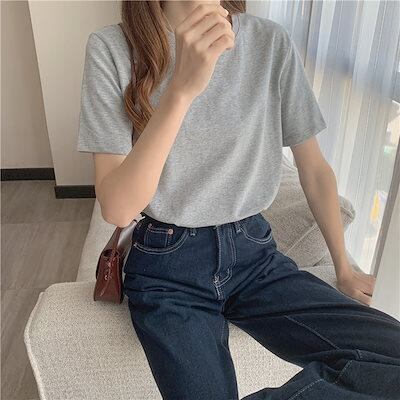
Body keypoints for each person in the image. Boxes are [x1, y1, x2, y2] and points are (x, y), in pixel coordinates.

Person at [77, 1, 400, 399]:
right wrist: (180, 91)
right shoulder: (112, 48)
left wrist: (344, 270)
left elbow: (315, 170)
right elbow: (117, 208)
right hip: (168, 269)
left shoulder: (268, 41)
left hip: (256, 257)